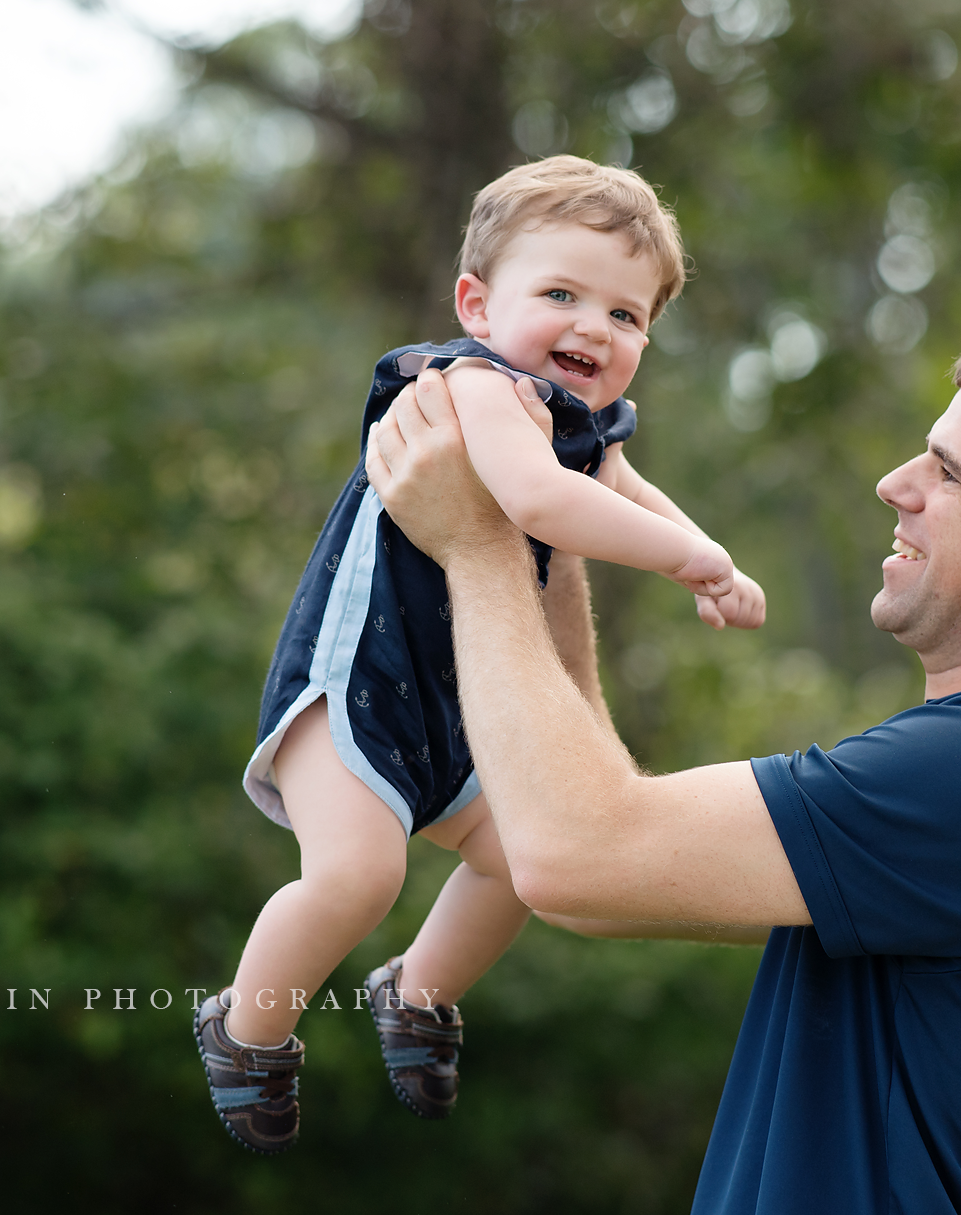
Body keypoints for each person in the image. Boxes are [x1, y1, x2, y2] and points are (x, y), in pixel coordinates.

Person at [363, 328, 961, 1213]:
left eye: (951, 474)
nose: (896, 485)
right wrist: (554, 527)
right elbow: (595, 880)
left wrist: (479, 540)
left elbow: (574, 853)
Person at [194, 156, 767, 1154]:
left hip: (453, 706)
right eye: (560, 294)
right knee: (354, 877)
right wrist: (694, 556)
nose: (594, 326)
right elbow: (541, 503)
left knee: (528, 861)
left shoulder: (585, 426)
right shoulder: (474, 384)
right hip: (355, 688)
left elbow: (619, 487)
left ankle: (417, 992)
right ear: (477, 303)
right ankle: (245, 1029)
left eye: (626, 316)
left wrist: (703, 564)